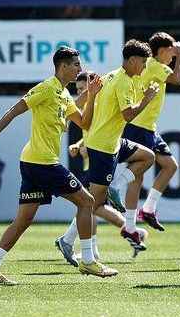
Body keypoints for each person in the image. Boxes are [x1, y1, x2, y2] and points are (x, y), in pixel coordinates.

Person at [0, 47, 117, 282]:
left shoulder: (63, 94)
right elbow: (13, 110)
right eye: (76, 65)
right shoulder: (46, 88)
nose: (80, 69)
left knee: (23, 220)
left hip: (33, 162)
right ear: (63, 66)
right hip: (42, 163)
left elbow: (84, 121)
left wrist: (90, 96)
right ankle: (89, 261)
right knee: (88, 201)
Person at [55, 72, 145, 265]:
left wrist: (81, 144)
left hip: (101, 153)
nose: (81, 92)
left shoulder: (97, 101)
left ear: (94, 86)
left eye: (83, 88)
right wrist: (80, 144)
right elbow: (89, 128)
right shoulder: (87, 103)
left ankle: (78, 242)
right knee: (92, 204)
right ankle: (120, 235)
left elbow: (95, 128)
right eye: (77, 89)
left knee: (92, 204)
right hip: (97, 156)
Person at [82, 40, 157, 253]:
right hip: (103, 147)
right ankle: (82, 250)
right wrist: (147, 99)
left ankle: (117, 187)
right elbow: (129, 115)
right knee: (92, 204)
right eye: (143, 62)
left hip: (112, 142)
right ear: (132, 60)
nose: (144, 67)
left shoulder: (110, 76)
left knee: (147, 156)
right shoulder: (122, 81)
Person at [119, 32, 180, 232]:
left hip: (148, 128)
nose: (173, 57)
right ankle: (130, 223)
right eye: (171, 53)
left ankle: (146, 210)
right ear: (163, 51)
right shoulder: (155, 65)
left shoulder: (150, 64)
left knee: (169, 166)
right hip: (139, 127)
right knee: (137, 175)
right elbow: (177, 79)